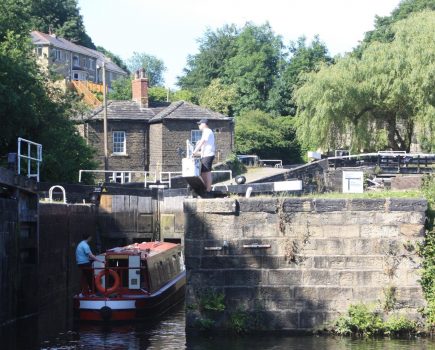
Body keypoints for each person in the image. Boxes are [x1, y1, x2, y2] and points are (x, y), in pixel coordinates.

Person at [193, 119, 215, 192]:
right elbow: (204, 145)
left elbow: (203, 142)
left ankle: (208, 189)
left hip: (208, 155)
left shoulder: (207, 131)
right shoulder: (207, 132)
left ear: (204, 124)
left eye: (200, 124)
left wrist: (195, 151)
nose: (198, 126)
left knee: (207, 172)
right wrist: (198, 153)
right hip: (206, 155)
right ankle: (205, 188)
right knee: (203, 172)